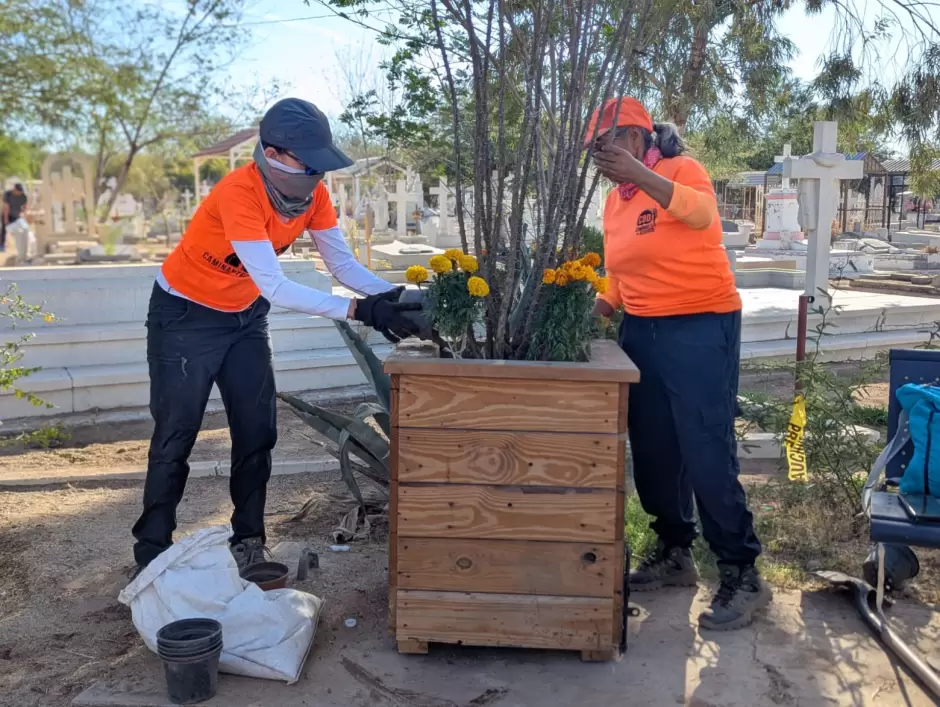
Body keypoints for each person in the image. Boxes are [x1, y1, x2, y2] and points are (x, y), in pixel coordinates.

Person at [131, 98, 421, 572]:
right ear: (274, 153)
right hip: (184, 318)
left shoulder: (314, 197)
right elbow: (275, 285)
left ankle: (248, 540)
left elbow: (342, 265)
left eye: (320, 164)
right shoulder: (239, 194)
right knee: (175, 435)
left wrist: (393, 296)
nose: (316, 174)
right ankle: (152, 551)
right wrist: (358, 309)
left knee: (257, 431)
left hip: (244, 317)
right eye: (308, 162)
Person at [588, 97, 770, 631]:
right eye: (594, 147)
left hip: (700, 324)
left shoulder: (679, 170)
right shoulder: (614, 201)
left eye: (606, 142)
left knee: (705, 447)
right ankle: (675, 551)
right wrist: (597, 306)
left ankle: (741, 570)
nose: (599, 154)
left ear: (636, 137)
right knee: (653, 449)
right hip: (641, 330)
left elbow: (702, 215)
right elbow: (619, 271)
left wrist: (642, 176)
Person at [1, 183, 29, 253]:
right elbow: (6, 207)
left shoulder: (23, 196)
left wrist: (24, 217)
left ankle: (17, 247)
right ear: (14, 189)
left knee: (17, 230)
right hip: (6, 214)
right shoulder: (8, 194)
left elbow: (25, 208)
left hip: (16, 216)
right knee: (4, 230)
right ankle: (1, 245)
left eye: (21, 191)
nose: (20, 192)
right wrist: (6, 219)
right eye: (18, 191)